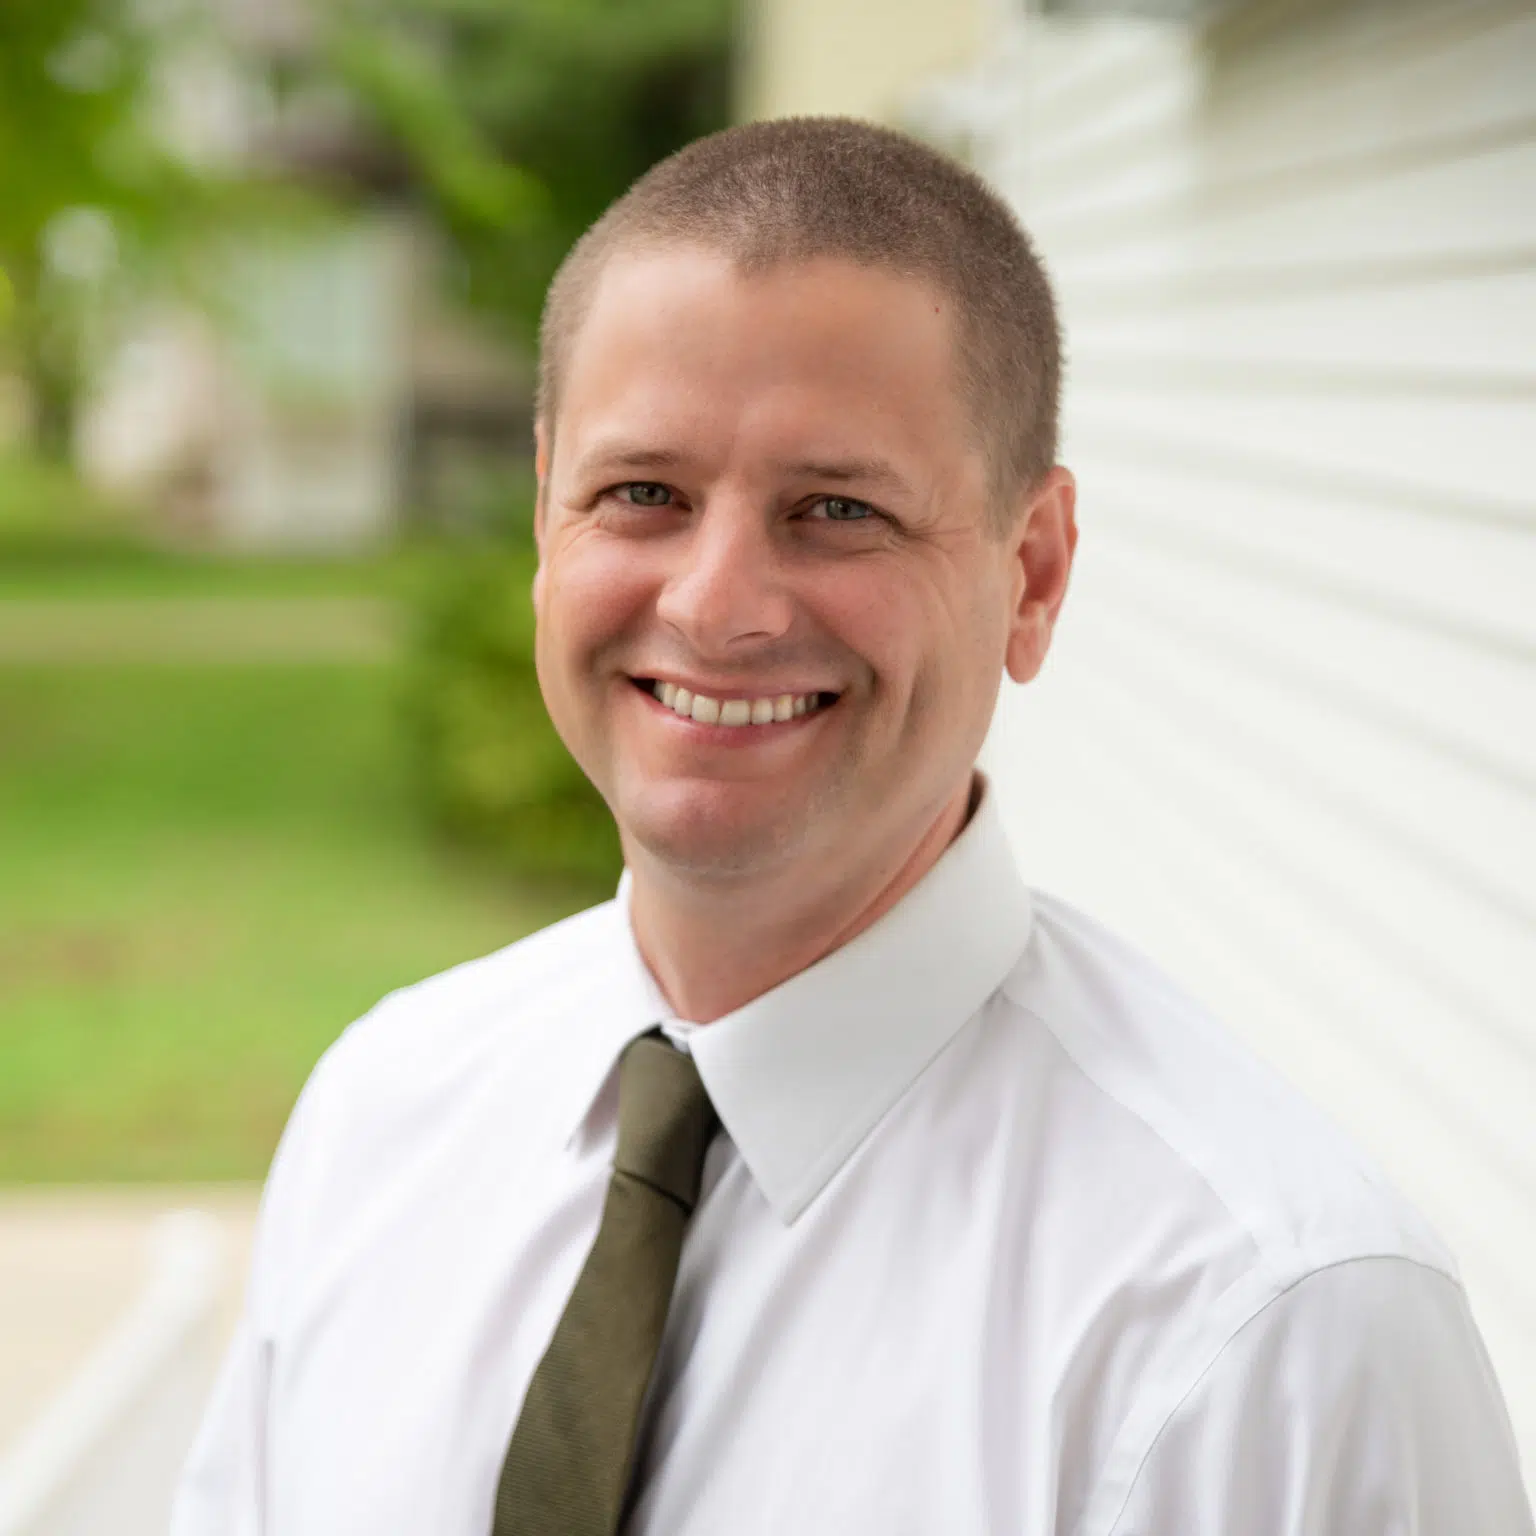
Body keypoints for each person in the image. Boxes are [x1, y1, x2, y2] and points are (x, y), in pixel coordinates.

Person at [170, 117, 1533, 1535]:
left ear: (1035, 575)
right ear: (544, 519)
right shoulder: (381, 1117)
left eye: (836, 509)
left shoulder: (1272, 1329)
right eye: (644, 493)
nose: (715, 603)